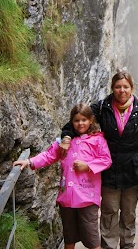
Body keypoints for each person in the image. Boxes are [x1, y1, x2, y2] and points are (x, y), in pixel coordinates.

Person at [60, 70, 138, 249]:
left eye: (125, 87)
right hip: (109, 167)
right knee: (109, 212)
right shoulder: (102, 107)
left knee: (128, 213)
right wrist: (66, 138)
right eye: (118, 87)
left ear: (132, 88)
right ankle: (109, 246)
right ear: (112, 88)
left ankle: (127, 246)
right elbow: (78, 121)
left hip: (133, 168)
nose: (122, 90)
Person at [13, 103, 112, 249]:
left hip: (87, 197)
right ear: (72, 122)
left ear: (91, 120)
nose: (80, 123)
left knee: (92, 238)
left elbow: (106, 160)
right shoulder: (64, 143)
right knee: (69, 236)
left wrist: (88, 166)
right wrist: (29, 161)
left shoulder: (97, 140)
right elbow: (48, 156)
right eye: (77, 120)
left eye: (84, 120)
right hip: (67, 197)